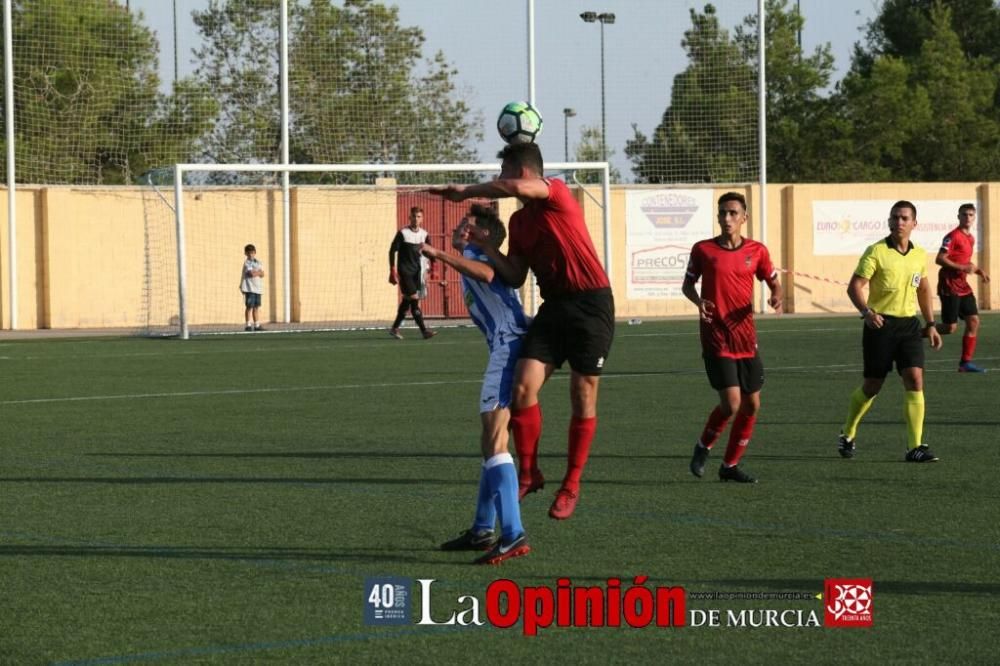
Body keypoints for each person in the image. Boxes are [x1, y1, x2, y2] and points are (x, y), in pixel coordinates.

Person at [428, 142, 614, 521]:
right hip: (554, 308)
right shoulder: (519, 222)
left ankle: (571, 484)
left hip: (592, 304)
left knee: (582, 393)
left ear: (525, 173)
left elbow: (512, 189)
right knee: (522, 389)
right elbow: (513, 276)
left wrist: (465, 191)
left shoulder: (556, 192)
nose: (500, 179)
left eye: (505, 172)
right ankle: (530, 472)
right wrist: (483, 246)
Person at [421, 205, 531, 565]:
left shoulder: (474, 253)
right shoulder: (479, 250)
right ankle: (483, 528)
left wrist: (440, 254)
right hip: (510, 342)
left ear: (480, 234)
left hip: (508, 344)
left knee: (495, 437)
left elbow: (484, 275)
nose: (457, 229)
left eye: (465, 225)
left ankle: (512, 533)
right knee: (492, 439)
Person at [683, 192, 783, 484]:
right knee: (732, 404)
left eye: (733, 213)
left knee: (752, 405)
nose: (727, 219)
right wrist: (698, 302)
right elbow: (688, 285)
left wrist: (777, 295)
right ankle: (703, 447)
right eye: (723, 213)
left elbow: (772, 280)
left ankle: (729, 466)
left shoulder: (757, 251)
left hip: (746, 337)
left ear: (744, 218)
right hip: (716, 335)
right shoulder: (703, 250)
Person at [839, 200, 943, 463]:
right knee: (873, 386)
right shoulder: (876, 251)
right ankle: (848, 432)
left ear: (914, 223)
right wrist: (867, 313)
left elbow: (922, 289)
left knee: (915, 379)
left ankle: (914, 446)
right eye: (895, 217)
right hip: (880, 326)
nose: (899, 222)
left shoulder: (919, 254)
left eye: (904, 218)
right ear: (888, 221)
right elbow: (855, 287)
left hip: (909, 325)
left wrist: (930, 324)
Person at [935, 203, 990, 372]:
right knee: (949, 328)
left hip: (963, 285)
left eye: (971, 215)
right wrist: (961, 268)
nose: (967, 217)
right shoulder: (952, 236)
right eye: (964, 214)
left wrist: (979, 271)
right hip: (949, 284)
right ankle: (911, 334)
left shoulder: (970, 238)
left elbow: (965, 261)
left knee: (973, 321)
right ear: (958, 217)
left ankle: (965, 363)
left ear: (974, 218)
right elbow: (940, 259)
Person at [388, 207, 436, 340]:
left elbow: (430, 252)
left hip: (417, 272)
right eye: (414, 216)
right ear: (409, 217)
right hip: (405, 272)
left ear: (422, 219)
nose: (416, 219)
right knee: (414, 299)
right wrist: (392, 270)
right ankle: (424, 331)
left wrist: (433, 269)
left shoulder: (424, 234)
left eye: (419, 216)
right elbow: (392, 251)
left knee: (407, 301)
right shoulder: (402, 233)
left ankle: (394, 328)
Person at [240, 243, 265, 331]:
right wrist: (258, 272)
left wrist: (257, 272)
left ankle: (257, 325)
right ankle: (248, 325)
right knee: (249, 306)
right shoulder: (247, 263)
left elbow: (263, 274)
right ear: (246, 253)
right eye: (249, 253)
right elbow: (251, 274)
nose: (251, 254)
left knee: (256, 307)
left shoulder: (258, 262)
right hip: (249, 288)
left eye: (252, 252)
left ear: (255, 253)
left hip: (257, 288)